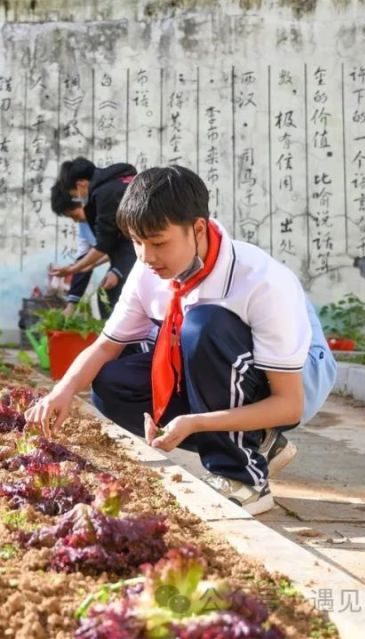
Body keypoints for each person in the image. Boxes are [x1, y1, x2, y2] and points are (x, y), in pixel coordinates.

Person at [26, 165, 336, 515]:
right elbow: (106, 346)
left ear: (198, 228)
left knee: (205, 324)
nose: (146, 257)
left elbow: (289, 403)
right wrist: (60, 393)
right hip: (226, 367)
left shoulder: (259, 281)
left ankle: (243, 478)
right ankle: (259, 442)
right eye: (136, 243)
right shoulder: (148, 273)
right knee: (112, 383)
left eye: (158, 243)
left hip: (293, 381)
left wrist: (198, 422)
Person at [50, 158, 137, 315]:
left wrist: (72, 269)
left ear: (80, 184)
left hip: (145, 252)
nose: (76, 220)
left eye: (74, 215)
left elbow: (106, 244)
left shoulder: (104, 195)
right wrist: (72, 302)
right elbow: (96, 253)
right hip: (135, 252)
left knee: (118, 298)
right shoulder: (113, 185)